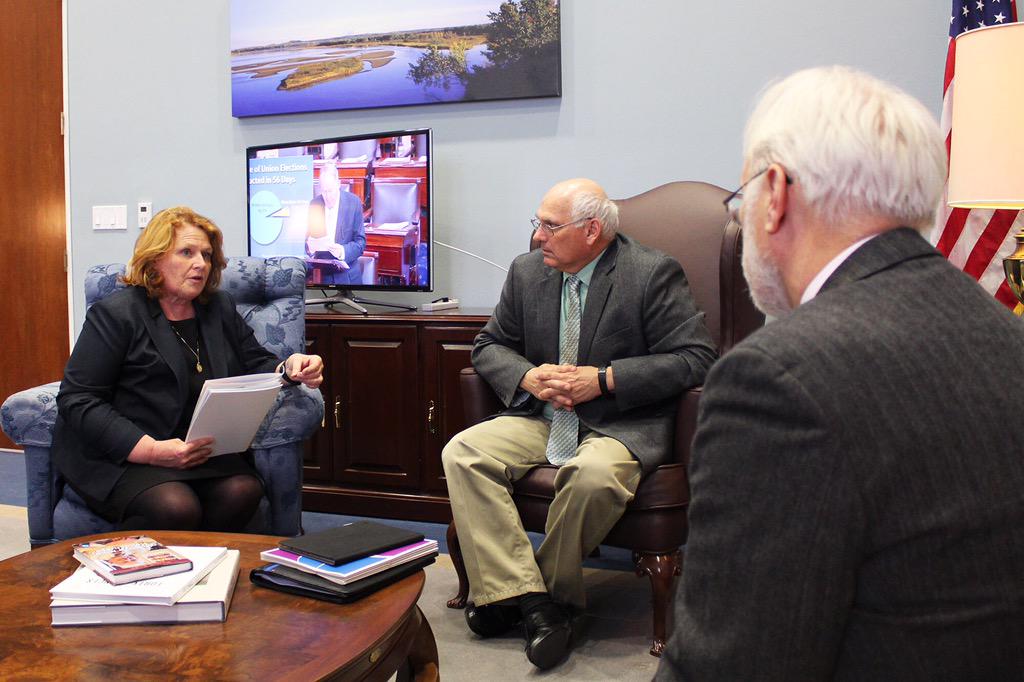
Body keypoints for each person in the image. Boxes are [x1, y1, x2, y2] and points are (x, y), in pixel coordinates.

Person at [656, 66, 1024, 680]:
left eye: (742, 200)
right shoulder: (1006, 334)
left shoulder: (777, 380)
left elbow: (729, 665)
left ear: (774, 194)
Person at [443, 178, 717, 670]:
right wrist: (529, 375)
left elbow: (696, 358)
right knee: (463, 452)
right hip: (543, 417)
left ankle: (523, 596)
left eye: (550, 225)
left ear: (592, 231)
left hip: (620, 423)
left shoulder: (650, 272)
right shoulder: (528, 272)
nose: (538, 236)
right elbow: (488, 346)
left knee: (591, 477)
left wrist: (606, 379)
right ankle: (537, 605)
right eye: (538, 223)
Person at [53, 206, 324, 532]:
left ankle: (201, 571)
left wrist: (289, 368)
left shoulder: (218, 308)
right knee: (175, 506)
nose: (201, 264)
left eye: (207, 255)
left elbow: (255, 363)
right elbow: (78, 399)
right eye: (187, 252)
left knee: (243, 491)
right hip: (126, 454)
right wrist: (151, 451)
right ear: (155, 260)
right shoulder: (117, 315)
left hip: (196, 451)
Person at [307, 162, 366, 285]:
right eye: (324, 191)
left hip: (348, 276)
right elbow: (307, 241)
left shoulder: (353, 203)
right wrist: (310, 248)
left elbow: (361, 244)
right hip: (322, 275)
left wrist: (342, 251)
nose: (327, 196)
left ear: (338, 185)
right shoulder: (314, 204)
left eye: (330, 191)